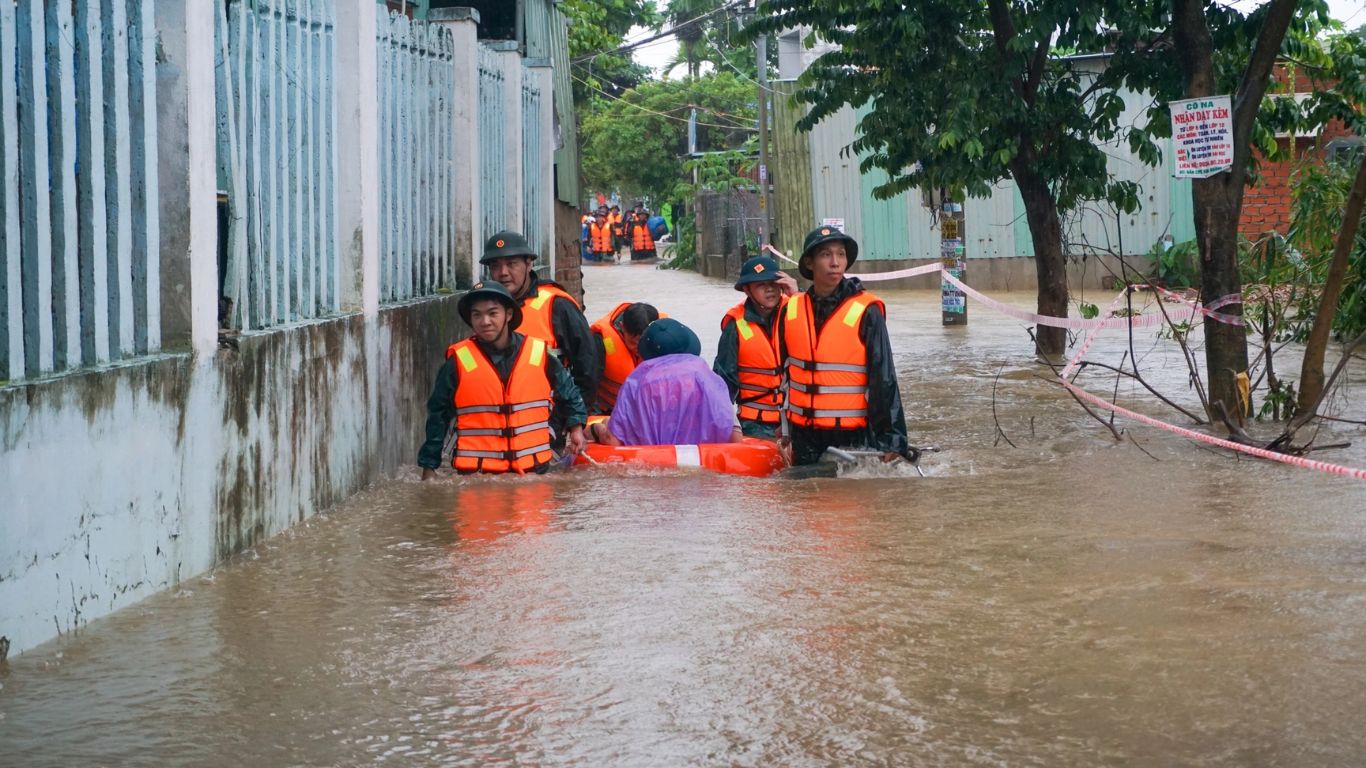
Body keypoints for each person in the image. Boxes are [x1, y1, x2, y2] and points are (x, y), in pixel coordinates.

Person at [775, 226, 914, 466]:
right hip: (803, 433)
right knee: (803, 500)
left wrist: (892, 439)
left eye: (841, 254)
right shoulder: (790, 310)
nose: (835, 262)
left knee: (849, 501)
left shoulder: (867, 310)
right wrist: (782, 426)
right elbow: (783, 374)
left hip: (853, 434)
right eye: (826, 255)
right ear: (809, 263)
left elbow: (884, 378)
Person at [418, 282, 587, 476]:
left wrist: (576, 429)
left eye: (492, 313)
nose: (485, 321)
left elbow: (570, 395)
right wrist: (429, 467)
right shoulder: (458, 361)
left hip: (534, 473)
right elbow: (437, 415)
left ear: (508, 314)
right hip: (477, 477)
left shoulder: (537, 354)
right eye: (477, 315)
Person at [481, 230, 601, 445]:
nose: (503, 272)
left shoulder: (558, 305)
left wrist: (576, 421)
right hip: (498, 424)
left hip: (550, 423)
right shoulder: (483, 310)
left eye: (512, 264)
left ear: (528, 264)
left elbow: (588, 368)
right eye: (496, 266)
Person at [590, 318, 741, 446]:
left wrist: (595, 430)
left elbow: (613, 440)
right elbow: (734, 436)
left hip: (651, 469)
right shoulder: (708, 378)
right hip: (703, 466)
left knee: (603, 424)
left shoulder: (637, 382)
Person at [714, 255, 798, 438]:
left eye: (773, 283)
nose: (770, 290)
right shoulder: (735, 326)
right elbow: (722, 384)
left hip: (797, 419)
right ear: (747, 290)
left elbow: (822, 332)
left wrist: (798, 296)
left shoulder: (797, 311)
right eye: (761, 285)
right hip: (755, 424)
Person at [590, 302, 660, 414]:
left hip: (647, 412)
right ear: (622, 327)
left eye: (643, 343)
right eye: (633, 342)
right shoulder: (600, 341)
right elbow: (588, 383)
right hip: (609, 411)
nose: (638, 349)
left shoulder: (664, 336)